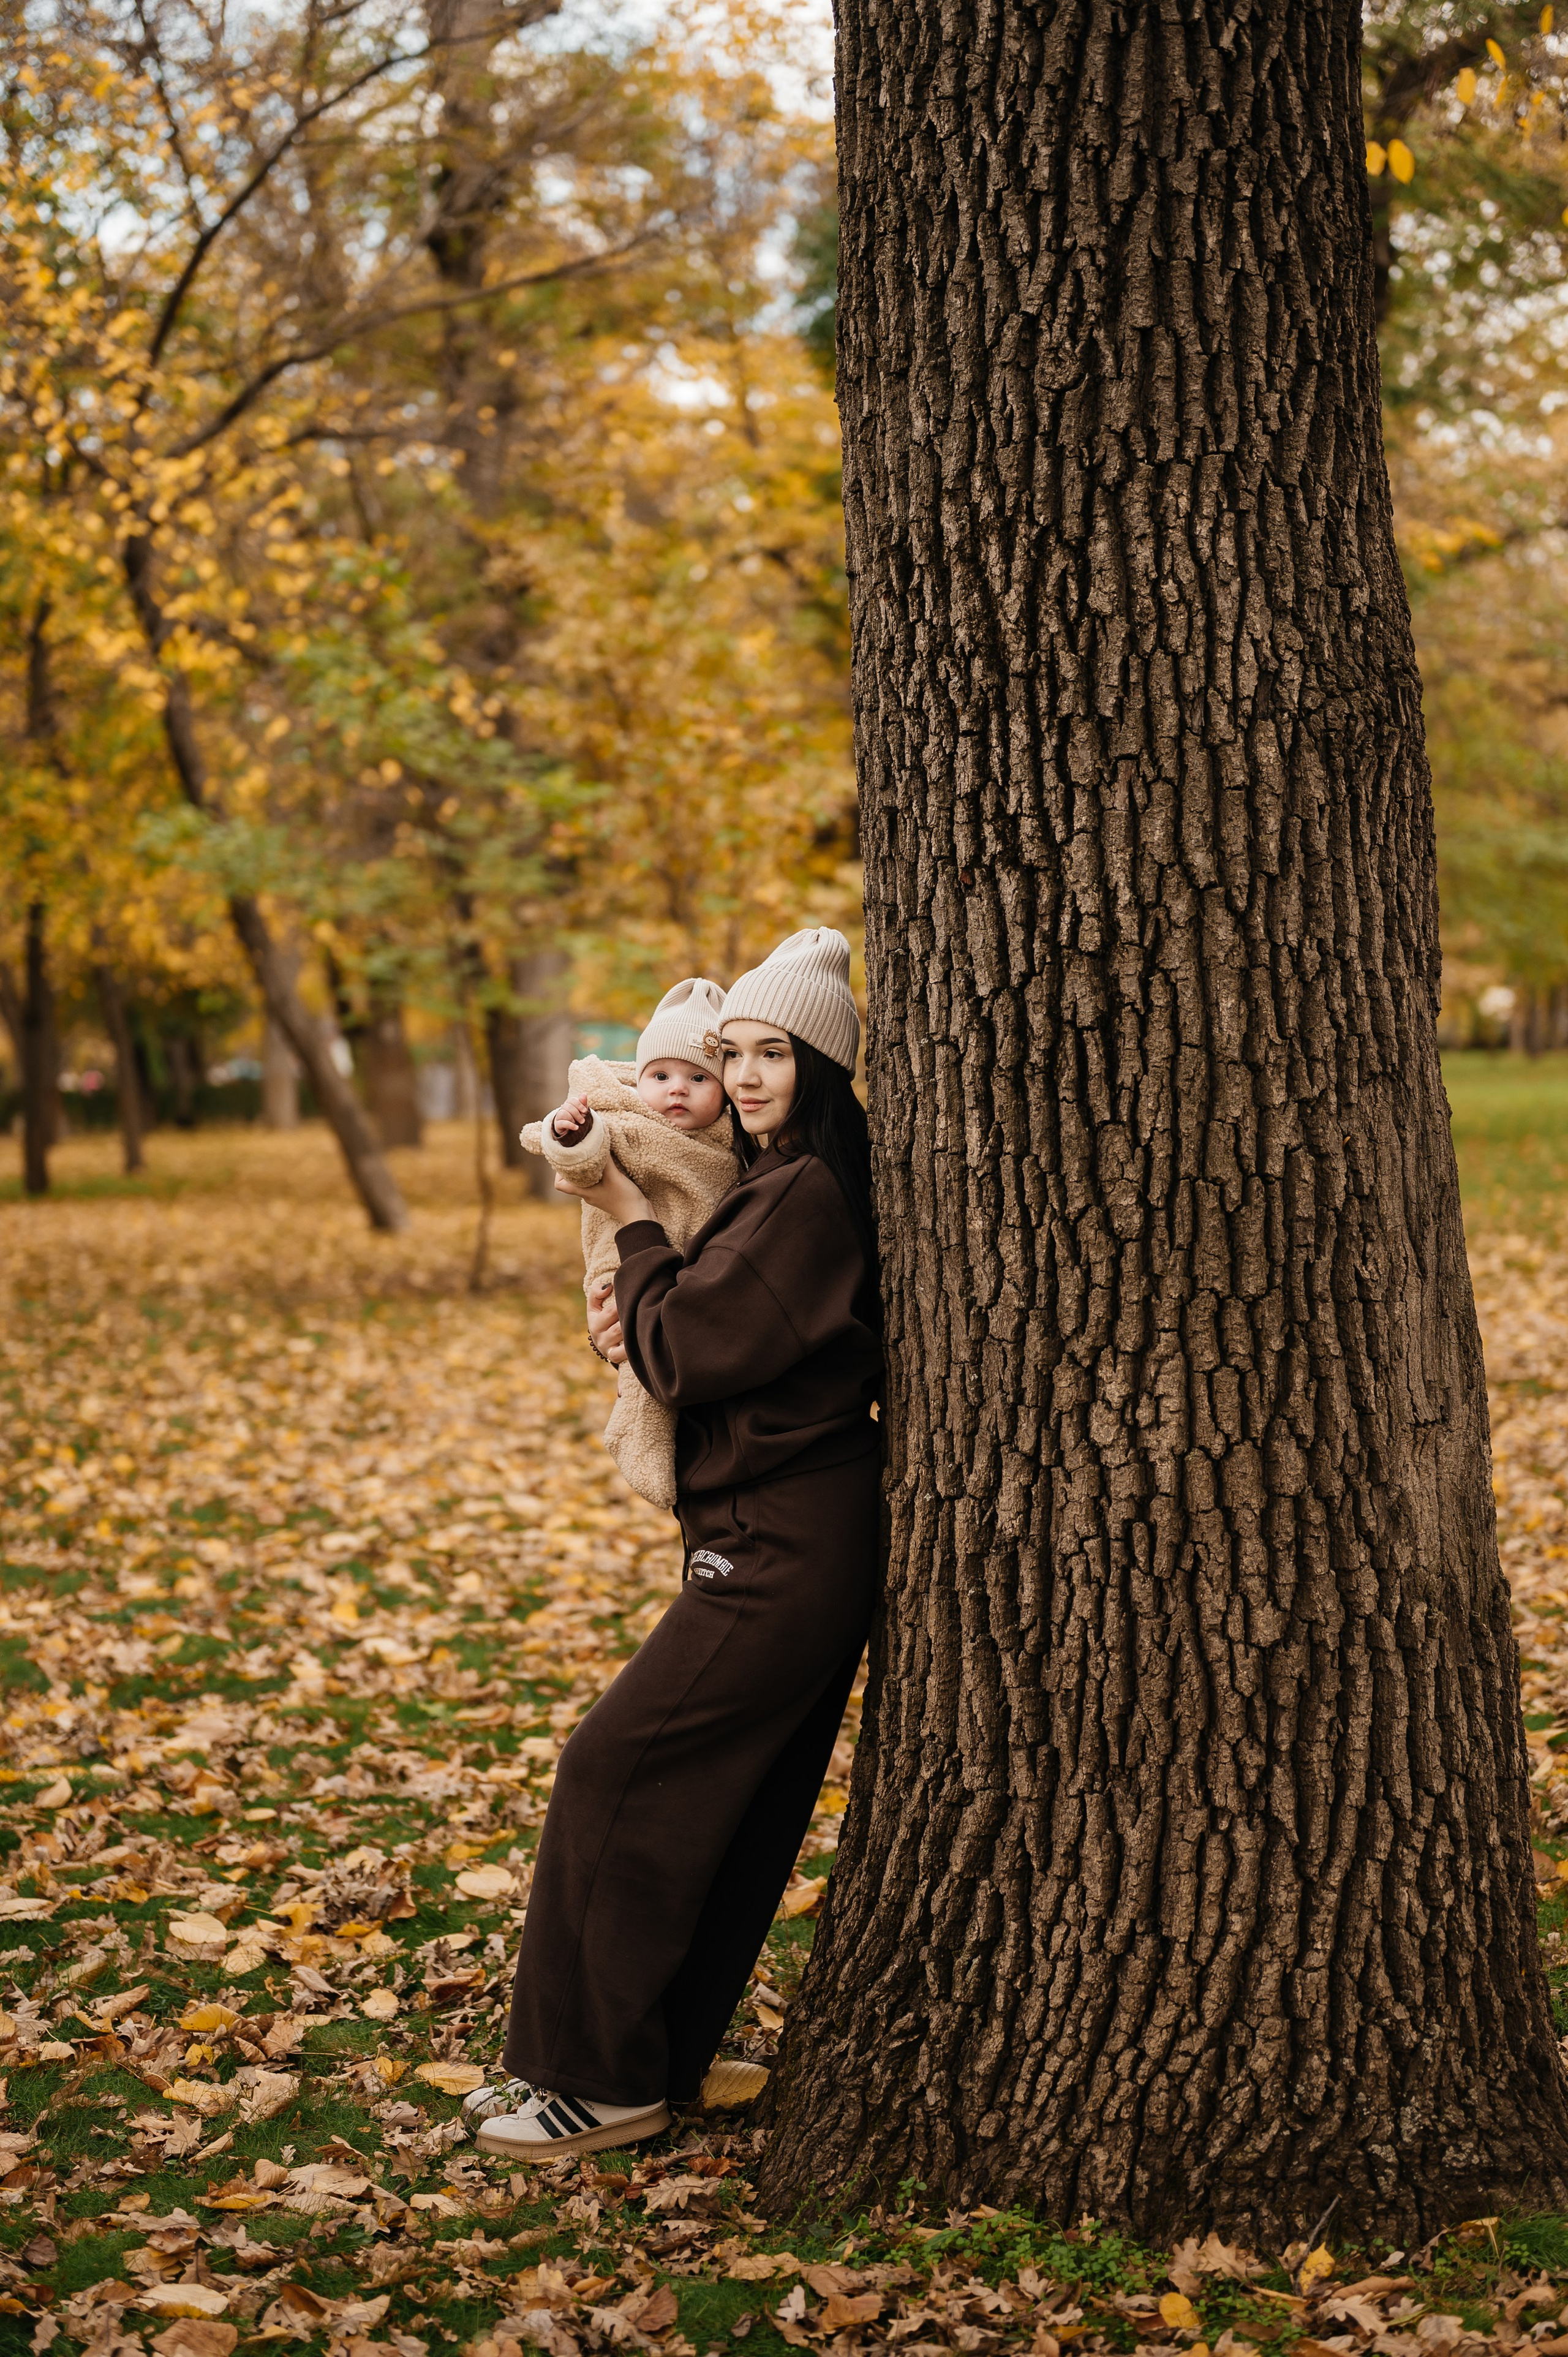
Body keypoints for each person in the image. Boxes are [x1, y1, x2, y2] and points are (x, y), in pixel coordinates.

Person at [467, 927, 882, 2157]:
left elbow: (689, 1349)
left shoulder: (804, 1190)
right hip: (777, 1524)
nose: (747, 1076)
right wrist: (638, 1283)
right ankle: (640, 2064)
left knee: (614, 1769)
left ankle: (590, 2079)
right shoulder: (767, 1181)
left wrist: (622, 1214)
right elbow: (675, 1332)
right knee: (732, 1808)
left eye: (776, 1054)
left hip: (781, 1539)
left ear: (821, 1068)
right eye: (734, 1052)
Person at [519, 977, 738, 1509]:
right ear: (639, 1079)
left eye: (698, 1078)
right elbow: (583, 1159)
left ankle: (650, 1437)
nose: (676, 1089)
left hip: (686, 1282)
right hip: (622, 1262)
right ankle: (639, 1437)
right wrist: (568, 1133)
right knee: (641, 1371)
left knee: (658, 1363)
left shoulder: (731, 1140)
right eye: (660, 1075)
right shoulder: (623, 1121)